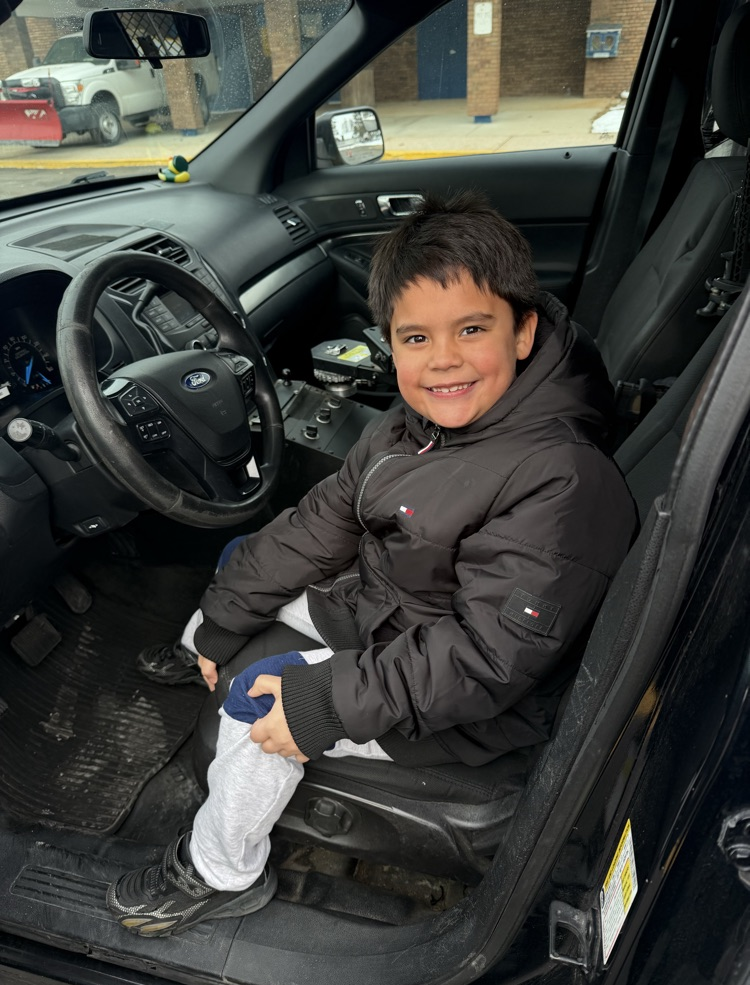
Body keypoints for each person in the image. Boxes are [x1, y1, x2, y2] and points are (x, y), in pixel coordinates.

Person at [107, 191, 638, 937]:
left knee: (261, 706)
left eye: (472, 330)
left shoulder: (562, 481)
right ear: (390, 343)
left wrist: (322, 700)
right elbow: (321, 522)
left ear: (523, 333)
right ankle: (196, 647)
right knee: (243, 562)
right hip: (386, 611)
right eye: (415, 339)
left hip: (467, 703)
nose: (443, 360)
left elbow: (486, 659)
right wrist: (223, 622)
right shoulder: (412, 426)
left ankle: (220, 868)